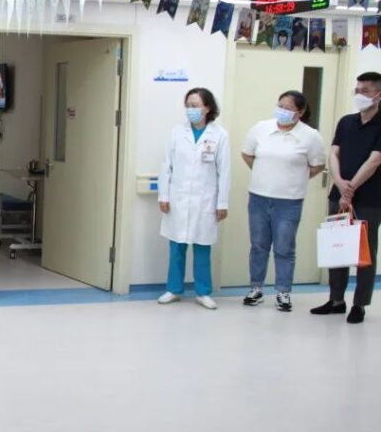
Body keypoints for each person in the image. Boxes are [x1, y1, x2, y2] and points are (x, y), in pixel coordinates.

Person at [240, 91, 326, 311]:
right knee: (258, 246)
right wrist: (264, 173)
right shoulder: (261, 128)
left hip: (289, 201)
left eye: (288, 108)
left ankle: (283, 291)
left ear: (300, 112)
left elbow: (317, 165)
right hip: (259, 197)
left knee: (284, 248)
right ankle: (256, 288)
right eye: (280, 106)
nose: (282, 111)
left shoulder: (310, 136)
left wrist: (294, 179)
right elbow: (247, 154)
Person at [311, 72, 381, 323]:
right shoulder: (346, 122)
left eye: (365, 91)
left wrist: (350, 190)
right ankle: (336, 300)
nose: (359, 94)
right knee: (337, 247)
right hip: (338, 194)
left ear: (378, 95)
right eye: (357, 90)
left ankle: (359, 304)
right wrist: (340, 184)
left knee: (364, 252)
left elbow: (375, 160)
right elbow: (334, 153)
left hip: (369, 198)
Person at [157, 88, 231, 309]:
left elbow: (224, 171)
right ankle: (173, 289)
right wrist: (164, 195)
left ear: (207, 108)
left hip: (205, 200)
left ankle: (203, 292)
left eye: (195, 105)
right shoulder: (176, 132)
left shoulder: (220, 135)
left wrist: (222, 203)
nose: (191, 109)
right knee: (176, 248)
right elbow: (166, 165)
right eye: (188, 105)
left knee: (202, 247)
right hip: (178, 199)